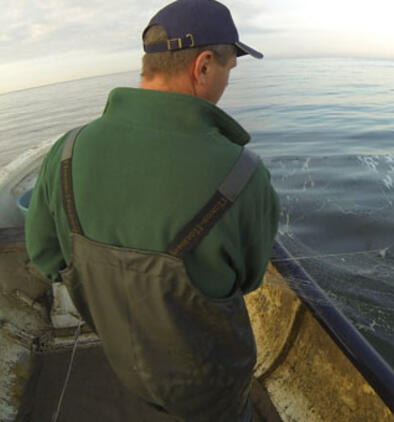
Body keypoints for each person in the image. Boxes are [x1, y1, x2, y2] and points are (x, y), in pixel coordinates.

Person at [25, 0, 280, 420]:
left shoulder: (65, 153)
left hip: (127, 370)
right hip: (211, 394)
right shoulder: (244, 176)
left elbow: (47, 257)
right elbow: (249, 279)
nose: (226, 83)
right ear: (202, 66)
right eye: (228, 69)